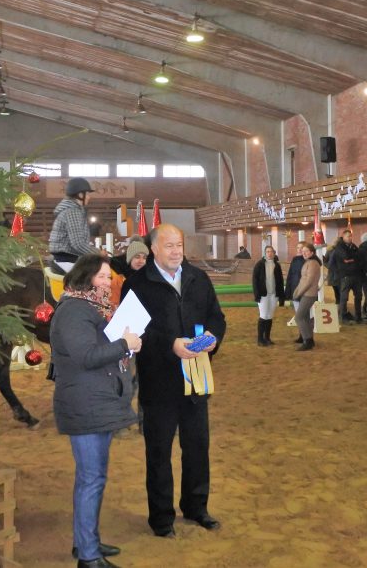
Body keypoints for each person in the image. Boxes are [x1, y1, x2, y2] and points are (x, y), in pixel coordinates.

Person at [120, 224, 226, 538]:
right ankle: (162, 518)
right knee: (159, 453)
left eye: (178, 244)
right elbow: (133, 331)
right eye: (168, 245)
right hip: (158, 383)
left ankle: (196, 507)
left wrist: (212, 338)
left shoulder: (198, 278)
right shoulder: (136, 285)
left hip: (196, 380)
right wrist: (171, 345)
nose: (176, 251)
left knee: (198, 447)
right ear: (152, 249)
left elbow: (216, 317)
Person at [50, 254, 142, 568]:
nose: (108, 282)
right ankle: (88, 556)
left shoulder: (88, 308)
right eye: (103, 277)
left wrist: (125, 341)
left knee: (93, 478)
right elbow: (87, 355)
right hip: (84, 403)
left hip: (94, 401)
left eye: (110, 277)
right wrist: (124, 343)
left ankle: (86, 541)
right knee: (91, 479)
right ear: (87, 278)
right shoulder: (75, 310)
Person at [50, 178, 103, 274]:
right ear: (80, 195)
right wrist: (99, 253)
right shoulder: (73, 212)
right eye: (87, 194)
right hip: (67, 260)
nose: (89, 197)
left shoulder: (72, 210)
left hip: (67, 258)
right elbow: (78, 244)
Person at [251, 245, 285, 346]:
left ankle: (267, 338)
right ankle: (260, 339)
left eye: (271, 252)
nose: (269, 253)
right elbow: (254, 281)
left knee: (270, 316)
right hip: (263, 295)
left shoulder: (277, 265)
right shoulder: (259, 265)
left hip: (273, 295)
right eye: (268, 251)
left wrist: (281, 295)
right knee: (263, 316)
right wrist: (257, 294)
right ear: (265, 253)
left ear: (274, 253)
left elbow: (280, 281)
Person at [291, 242, 322, 351]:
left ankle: (307, 340)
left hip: (308, 294)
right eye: (303, 251)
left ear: (312, 252)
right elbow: (303, 280)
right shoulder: (309, 262)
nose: (304, 253)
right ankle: (310, 340)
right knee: (304, 317)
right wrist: (297, 291)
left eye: (306, 251)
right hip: (307, 293)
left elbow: (308, 281)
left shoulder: (312, 263)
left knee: (299, 317)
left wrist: (298, 293)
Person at [331, 229, 364, 323]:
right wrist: (352, 258)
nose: (350, 238)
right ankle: (343, 316)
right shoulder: (339, 247)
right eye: (348, 236)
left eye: (351, 236)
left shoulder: (353, 246)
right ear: (343, 237)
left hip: (356, 276)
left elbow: (360, 257)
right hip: (345, 276)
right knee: (344, 297)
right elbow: (346, 256)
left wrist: (351, 259)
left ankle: (358, 317)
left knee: (358, 296)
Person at [110, 239, 148, 308]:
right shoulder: (119, 280)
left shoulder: (150, 278)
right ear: (130, 259)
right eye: (137, 257)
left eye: (144, 258)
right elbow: (114, 305)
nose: (141, 261)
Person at [283, 242, 306, 340]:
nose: (299, 250)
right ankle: (301, 335)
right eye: (298, 248)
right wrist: (288, 291)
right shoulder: (295, 259)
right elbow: (290, 276)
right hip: (295, 290)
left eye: (301, 248)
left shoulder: (309, 260)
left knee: (304, 315)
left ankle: (306, 336)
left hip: (305, 291)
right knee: (298, 315)